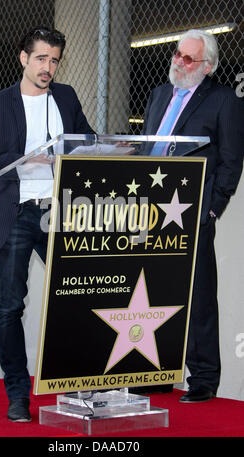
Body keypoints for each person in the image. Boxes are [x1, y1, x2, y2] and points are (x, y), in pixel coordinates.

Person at [0, 26, 94, 421]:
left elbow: (86, 139)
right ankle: (18, 393)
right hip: (18, 211)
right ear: (23, 58)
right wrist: (24, 158)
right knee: (10, 305)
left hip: (62, 210)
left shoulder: (67, 97)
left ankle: (76, 383)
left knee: (77, 297)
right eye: (41, 58)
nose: (48, 67)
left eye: (54, 60)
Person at [140, 29, 244, 402]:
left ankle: (202, 379)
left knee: (197, 295)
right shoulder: (157, 95)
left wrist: (213, 207)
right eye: (177, 54)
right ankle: (154, 371)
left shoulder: (223, 101)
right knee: (151, 291)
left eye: (189, 58)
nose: (179, 62)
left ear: (208, 66)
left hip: (191, 210)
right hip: (149, 212)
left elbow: (232, 161)